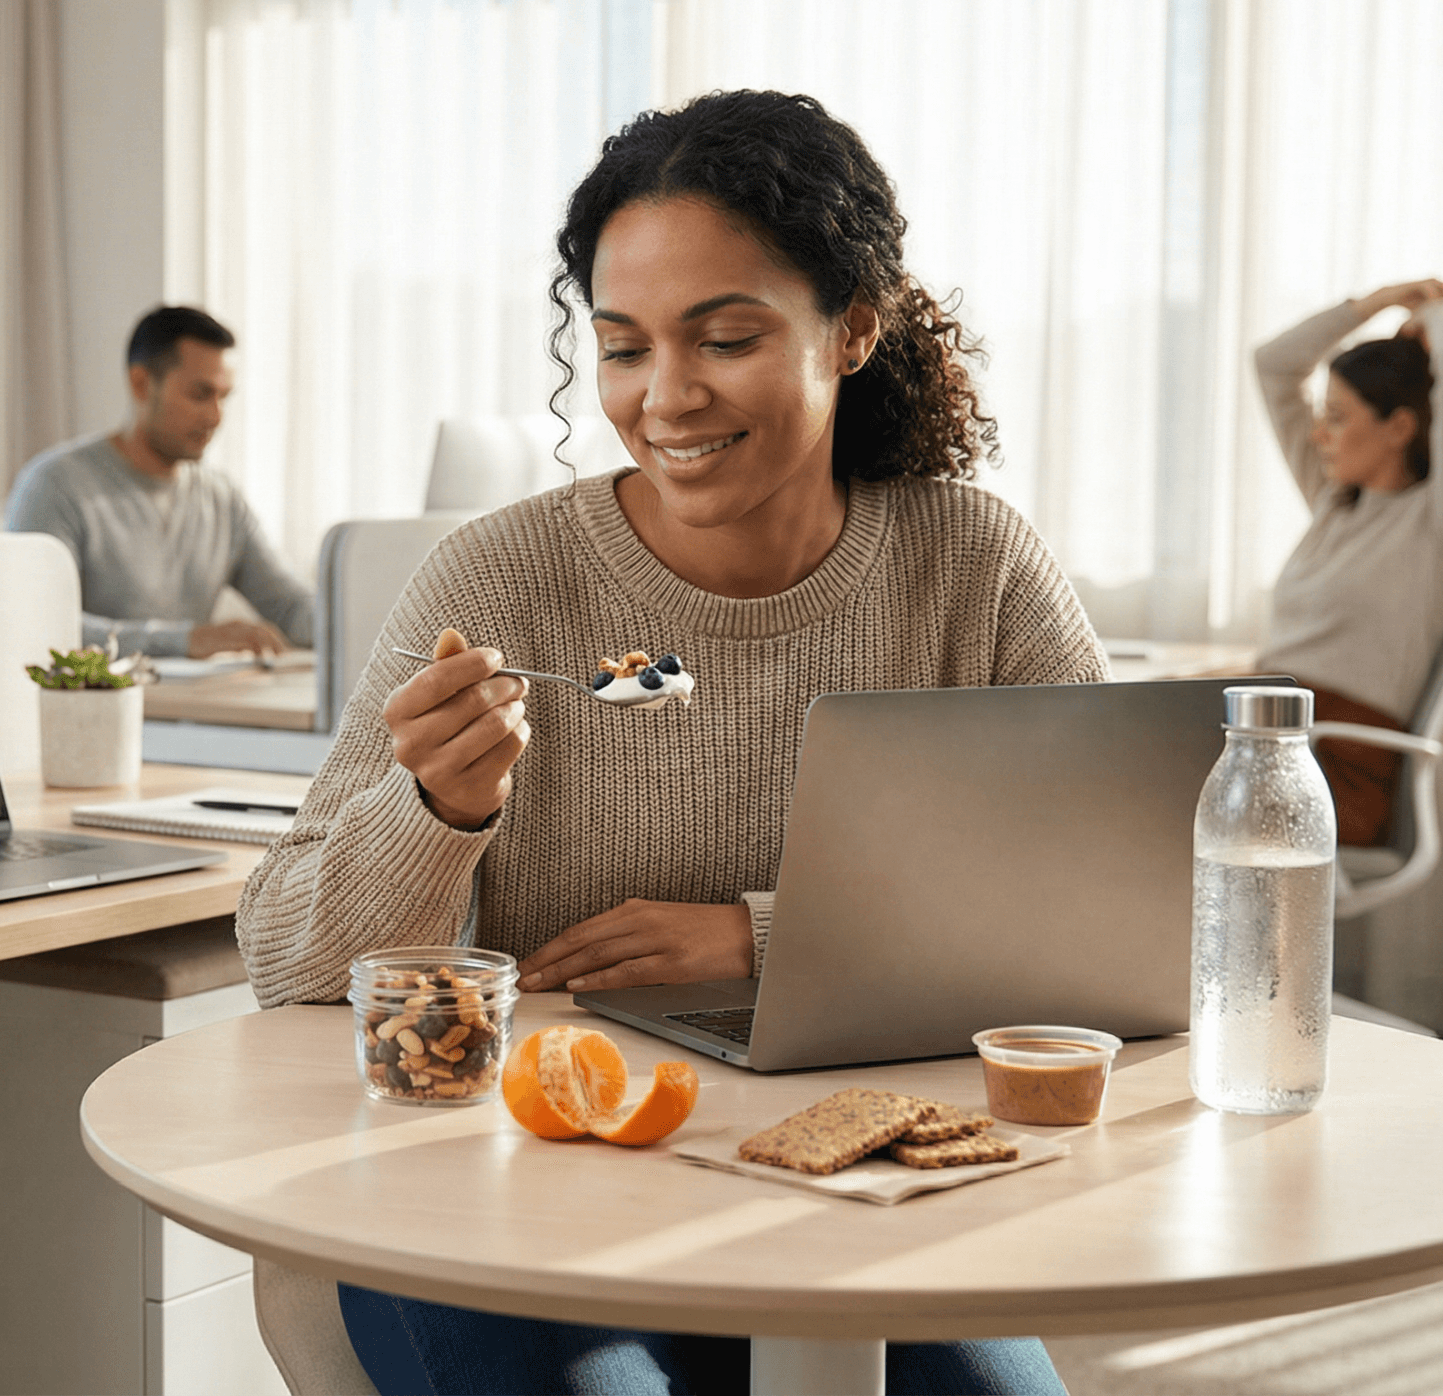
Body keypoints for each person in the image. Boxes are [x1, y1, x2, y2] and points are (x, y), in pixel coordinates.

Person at [236, 90, 1094, 1396]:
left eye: (726, 337)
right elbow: (283, 952)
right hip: (496, 1199)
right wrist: (435, 813)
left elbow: (1109, 907)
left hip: (838, 1186)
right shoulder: (501, 578)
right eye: (624, 347)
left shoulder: (968, 569)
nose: (666, 396)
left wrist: (768, 935)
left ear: (855, 325)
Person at [1253, 279, 1443, 846]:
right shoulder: (1335, 502)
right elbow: (1272, 365)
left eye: (1337, 417)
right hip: (1268, 744)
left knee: (1117, 792)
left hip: (1332, 771)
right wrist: (1380, 302)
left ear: (1399, 428)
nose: (1320, 434)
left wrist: (1436, 312)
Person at [5, 306, 315, 659]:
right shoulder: (55, 486)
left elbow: (291, 608)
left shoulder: (220, 498)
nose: (215, 416)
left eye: (223, 397)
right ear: (141, 384)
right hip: (101, 707)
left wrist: (368, 625)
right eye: (200, 394)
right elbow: (35, 624)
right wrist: (184, 641)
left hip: (195, 705)